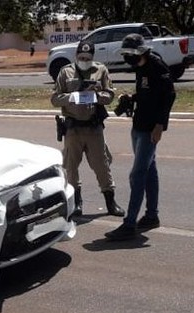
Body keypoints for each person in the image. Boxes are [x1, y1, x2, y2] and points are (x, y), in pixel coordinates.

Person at [105, 33, 176, 241]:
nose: (128, 58)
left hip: (150, 129)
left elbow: (169, 96)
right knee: (149, 171)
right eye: (126, 54)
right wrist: (132, 97)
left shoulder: (157, 66)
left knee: (137, 175)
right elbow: (148, 93)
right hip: (138, 125)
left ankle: (129, 225)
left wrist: (160, 125)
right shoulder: (140, 68)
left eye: (131, 54)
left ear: (142, 51)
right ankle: (152, 216)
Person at [50, 41, 124, 217]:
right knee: (71, 167)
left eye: (88, 58)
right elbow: (55, 99)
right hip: (73, 129)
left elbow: (109, 95)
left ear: (93, 57)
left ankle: (110, 202)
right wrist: (72, 97)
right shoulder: (66, 72)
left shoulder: (100, 70)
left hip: (93, 128)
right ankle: (77, 202)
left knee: (102, 166)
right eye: (81, 57)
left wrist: (95, 95)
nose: (84, 60)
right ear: (76, 56)